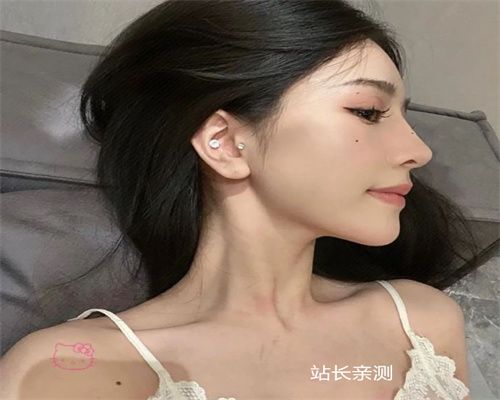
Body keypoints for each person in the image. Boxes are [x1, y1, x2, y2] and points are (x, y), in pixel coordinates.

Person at [1, 1, 482, 399]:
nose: (419, 151)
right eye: (368, 111)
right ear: (226, 143)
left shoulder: (420, 324)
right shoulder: (69, 371)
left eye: (404, 116)